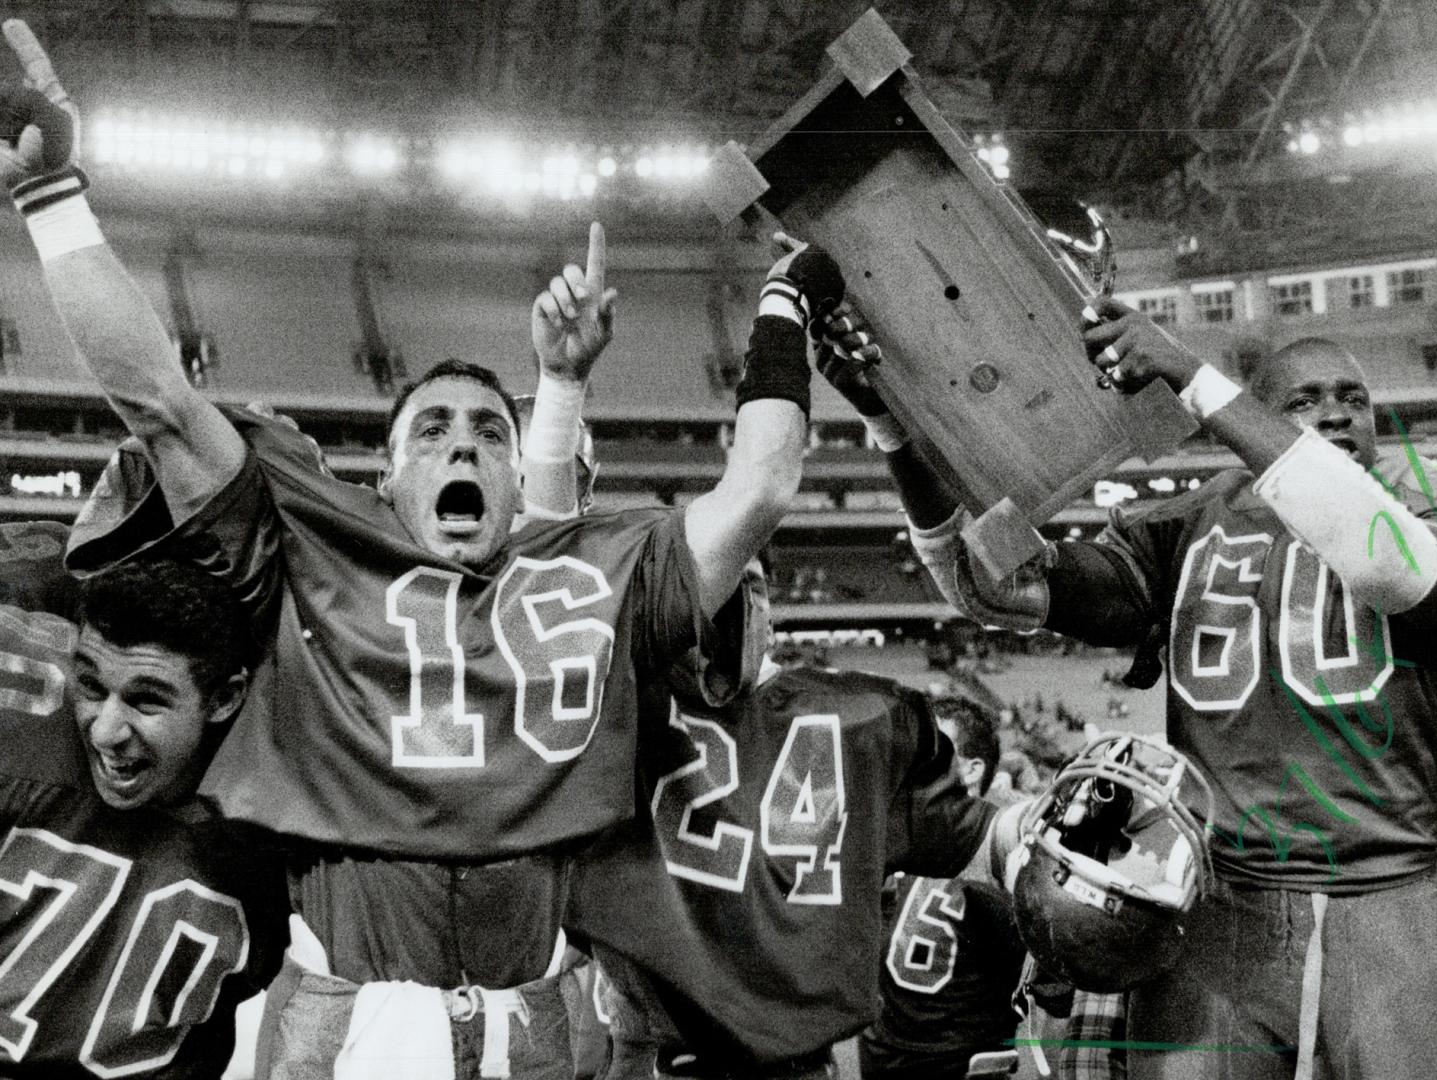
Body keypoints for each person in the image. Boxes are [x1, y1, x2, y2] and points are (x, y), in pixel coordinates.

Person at [0, 20, 840, 1078]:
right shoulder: (308, 562)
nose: (464, 447)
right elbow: (162, 404)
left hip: (537, 1021)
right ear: (384, 484)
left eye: (489, 432)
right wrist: (51, 195)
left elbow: (758, 488)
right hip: (352, 1023)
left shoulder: (584, 585)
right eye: (432, 431)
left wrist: (779, 306)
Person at [817, 291, 1437, 1078]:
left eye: (1353, 398)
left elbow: (1385, 561)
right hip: (1226, 905)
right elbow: (997, 588)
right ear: (1251, 423)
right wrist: (898, 430)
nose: (1335, 413)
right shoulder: (1189, 524)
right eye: (1304, 399)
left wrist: (1196, 376)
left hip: (1387, 896)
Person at [563, 579, 1007, 1080]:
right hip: (685, 1049)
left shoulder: (618, 708)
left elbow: (980, 836)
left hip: (697, 1050)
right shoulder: (857, 716)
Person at [0, 518, 286, 1077]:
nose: (105, 730)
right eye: (90, 685)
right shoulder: (21, 713)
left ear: (226, 698)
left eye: (146, 701)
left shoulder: (286, 802)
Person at [860, 696, 1027, 1080]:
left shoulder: (1008, 860)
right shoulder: (892, 838)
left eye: (934, 748)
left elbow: (1050, 995)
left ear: (972, 770)